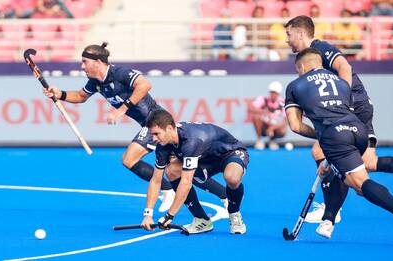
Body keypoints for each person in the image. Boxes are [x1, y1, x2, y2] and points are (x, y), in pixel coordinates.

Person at [42, 42, 228, 213]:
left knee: (131, 159)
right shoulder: (95, 83)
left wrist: (121, 110)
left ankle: (168, 189)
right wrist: (60, 94)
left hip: (157, 122)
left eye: (84, 62)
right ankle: (222, 194)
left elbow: (145, 85)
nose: (82, 66)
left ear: (98, 62)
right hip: (147, 124)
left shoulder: (119, 73)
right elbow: (81, 96)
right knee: (177, 168)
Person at [285, 16, 393, 229]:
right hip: (353, 114)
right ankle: (331, 213)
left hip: (352, 109)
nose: (287, 40)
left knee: (325, 156)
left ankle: (331, 213)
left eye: (289, 34)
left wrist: (341, 104)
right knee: (368, 164)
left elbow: (344, 68)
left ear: (301, 33)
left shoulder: (320, 48)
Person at [141, 109, 248, 234]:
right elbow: (155, 180)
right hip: (204, 158)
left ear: (169, 128)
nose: (154, 139)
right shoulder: (162, 146)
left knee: (232, 178)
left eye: (156, 134)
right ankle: (202, 220)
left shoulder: (191, 141)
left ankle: (234, 214)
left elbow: (186, 183)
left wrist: (169, 216)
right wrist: (148, 214)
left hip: (229, 153)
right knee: (172, 171)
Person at [249, 81, 287, 150]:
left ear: (278, 93)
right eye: (272, 92)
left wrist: (272, 128)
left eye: (275, 93)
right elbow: (251, 108)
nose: (273, 94)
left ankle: (272, 141)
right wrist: (264, 112)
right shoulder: (264, 99)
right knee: (256, 117)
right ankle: (259, 141)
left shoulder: (282, 103)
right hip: (265, 125)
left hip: (275, 127)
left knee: (283, 131)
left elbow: (285, 122)